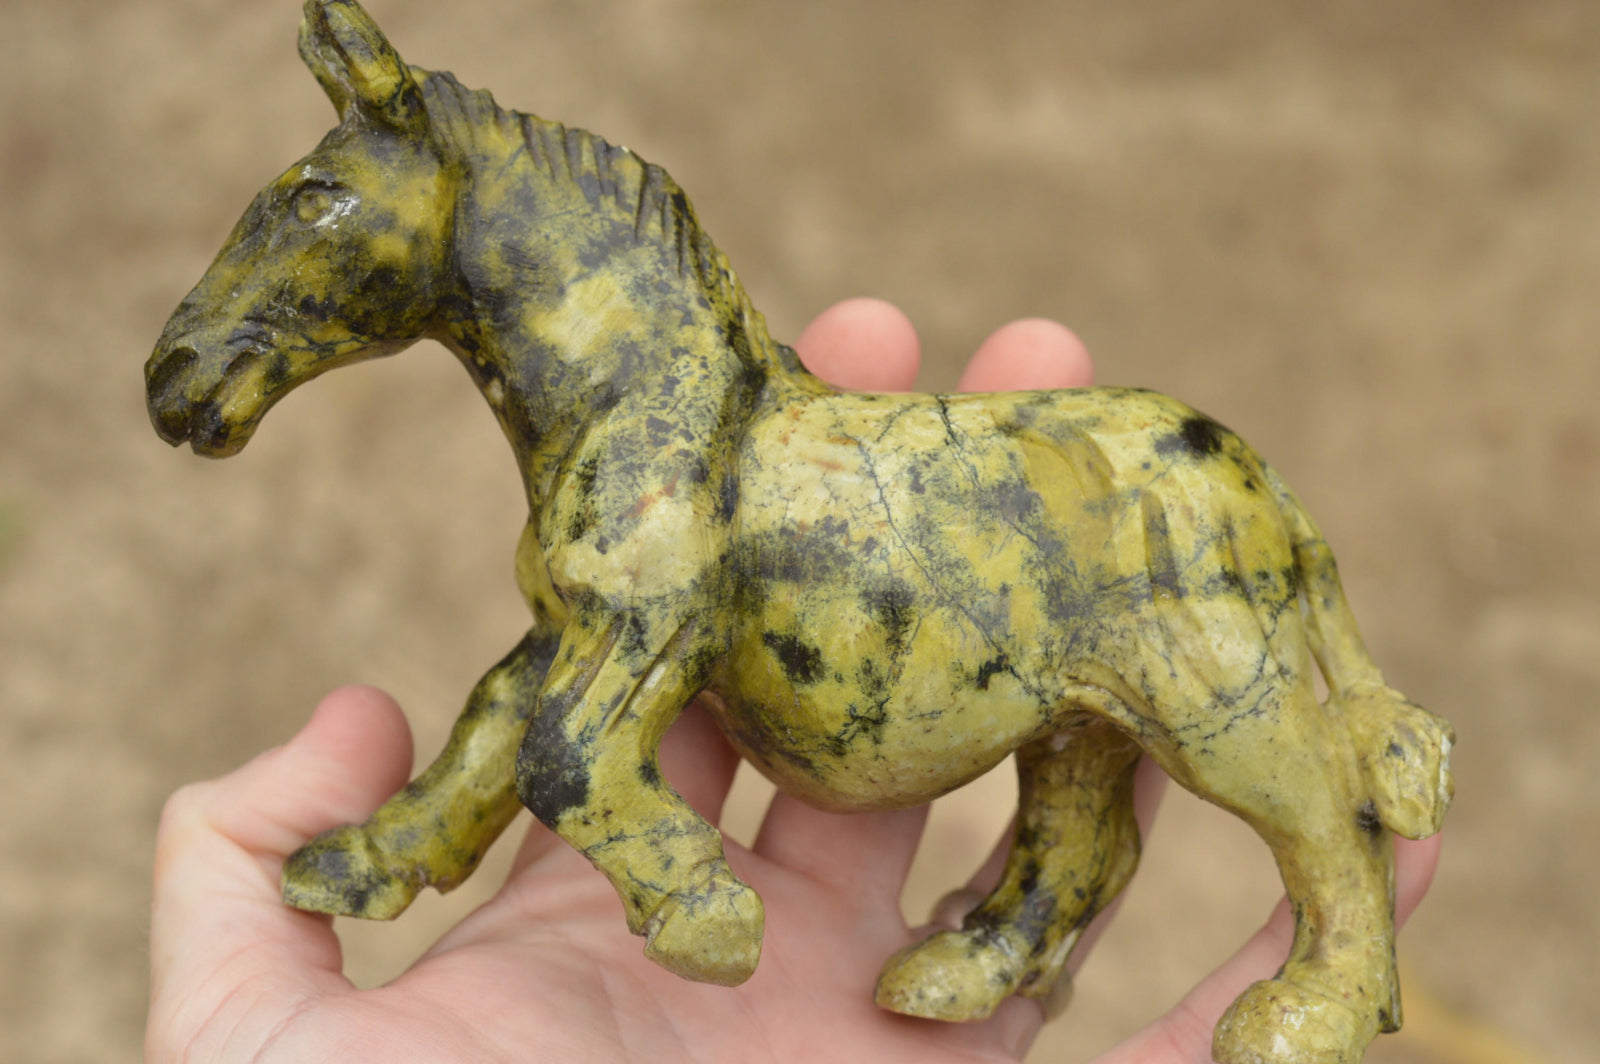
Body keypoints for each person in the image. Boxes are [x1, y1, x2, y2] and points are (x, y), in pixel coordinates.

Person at [147, 299, 1442, 1063]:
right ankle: (1021, 935)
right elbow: (561, 662)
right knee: (1082, 769)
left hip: (1113, 511)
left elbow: (570, 696)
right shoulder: (645, 472)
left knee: (1232, 730)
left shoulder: (667, 482)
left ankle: (1347, 950)